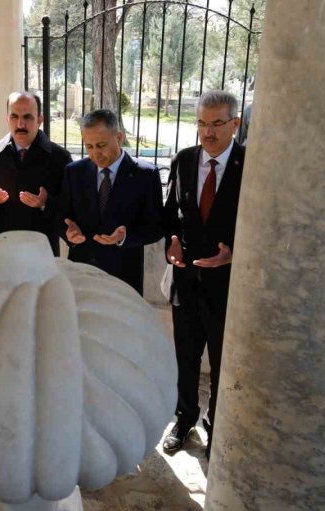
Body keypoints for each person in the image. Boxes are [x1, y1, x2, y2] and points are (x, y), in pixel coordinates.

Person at [160, 90, 246, 457]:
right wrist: (171, 242)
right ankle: (184, 419)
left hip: (228, 287)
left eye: (217, 124)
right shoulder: (183, 160)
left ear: (235, 124)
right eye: (201, 123)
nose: (207, 133)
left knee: (224, 362)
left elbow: (265, 224)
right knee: (186, 357)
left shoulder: (250, 165)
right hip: (186, 282)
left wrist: (235, 254)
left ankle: (217, 426)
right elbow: (170, 213)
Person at [60, 109, 163, 295]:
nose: (95, 154)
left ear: (119, 137)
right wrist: (69, 234)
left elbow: (155, 228)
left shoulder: (146, 175)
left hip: (124, 277)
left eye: (101, 145)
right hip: (81, 274)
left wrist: (123, 238)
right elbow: (62, 217)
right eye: (89, 146)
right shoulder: (73, 172)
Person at [0, 91, 71, 256]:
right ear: (7, 118)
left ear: (40, 119)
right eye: (14, 116)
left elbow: (70, 208)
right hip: (1, 253)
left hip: (42, 254)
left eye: (27, 117)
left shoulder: (59, 158)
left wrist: (45, 203)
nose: (20, 124)